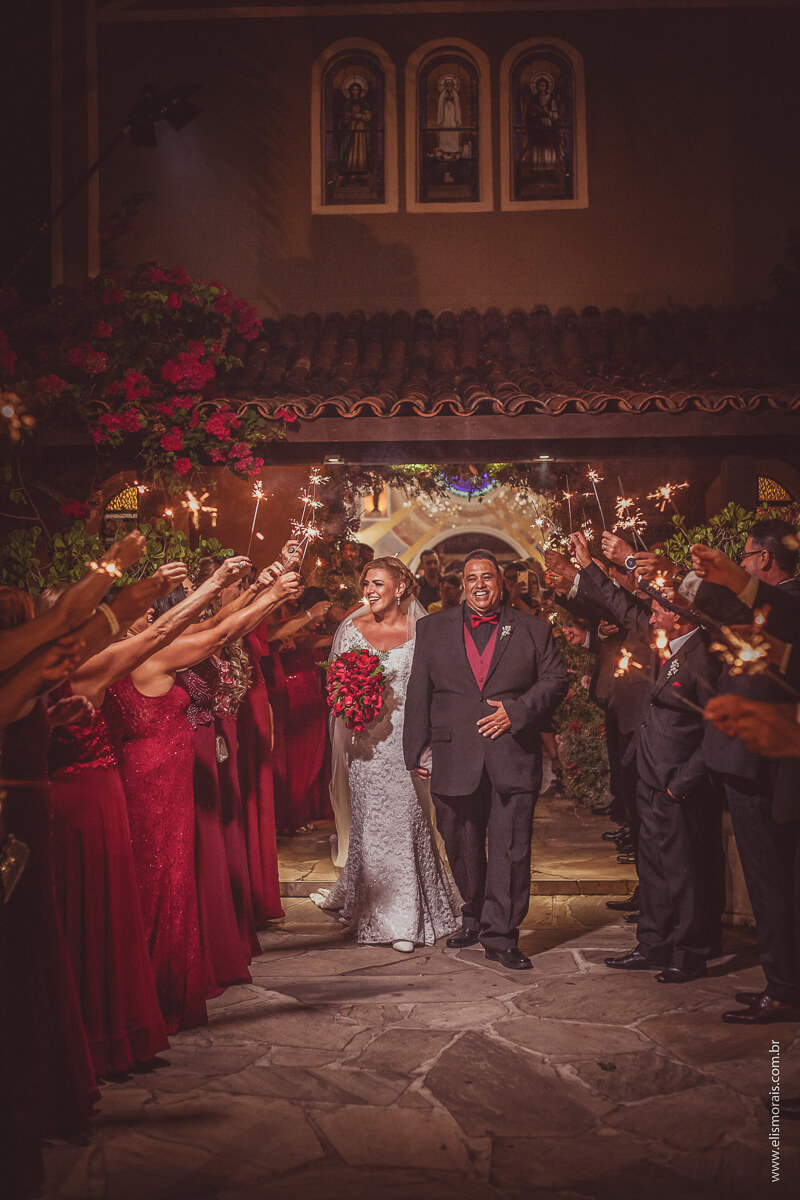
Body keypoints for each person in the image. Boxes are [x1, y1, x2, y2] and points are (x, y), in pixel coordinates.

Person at [404, 549, 568, 970]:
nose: (480, 585)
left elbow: (555, 679)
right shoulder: (432, 628)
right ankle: (474, 912)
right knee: (460, 843)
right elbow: (418, 690)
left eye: (488, 578)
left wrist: (518, 711)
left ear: (502, 583)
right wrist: (414, 749)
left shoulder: (532, 629)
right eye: (472, 578)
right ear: (462, 585)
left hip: (511, 753)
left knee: (512, 848)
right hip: (452, 753)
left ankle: (502, 933)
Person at [313, 556, 460, 952]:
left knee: (408, 819)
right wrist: (351, 701)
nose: (370, 591)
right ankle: (379, 913)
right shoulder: (352, 630)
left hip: (406, 742)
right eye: (366, 584)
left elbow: (434, 689)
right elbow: (336, 685)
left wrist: (430, 743)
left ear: (400, 588)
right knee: (370, 823)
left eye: (378, 583)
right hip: (363, 744)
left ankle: (407, 912)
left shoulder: (422, 630)